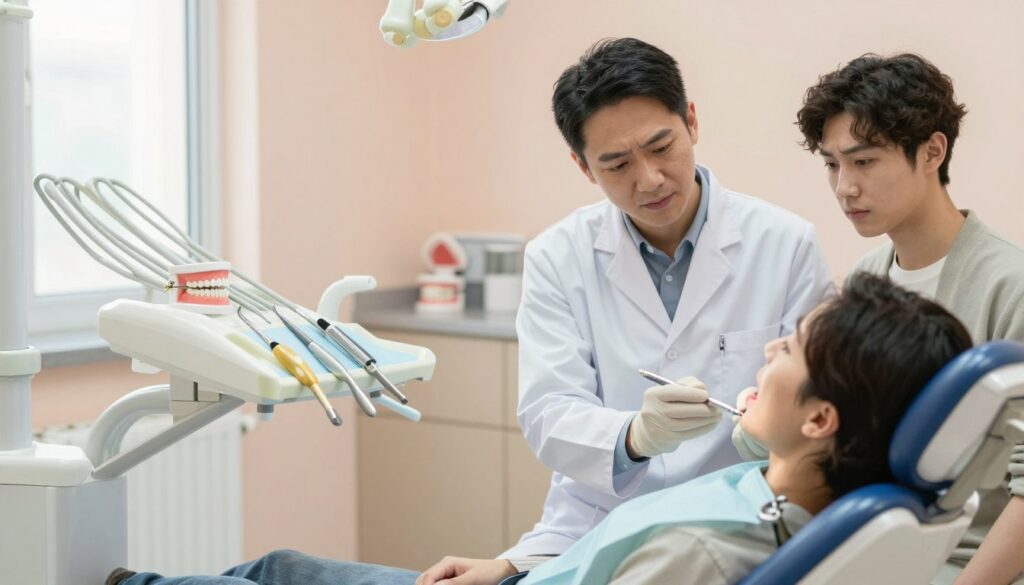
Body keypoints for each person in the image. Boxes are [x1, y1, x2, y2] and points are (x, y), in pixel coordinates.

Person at [110, 273, 974, 585]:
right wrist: (515, 565)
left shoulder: (711, 554)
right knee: (276, 567)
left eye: (785, 347)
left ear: (821, 417)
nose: (767, 351)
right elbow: (613, 535)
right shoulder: (779, 487)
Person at [504, 36, 832, 570]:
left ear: (692, 122)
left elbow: (820, 405)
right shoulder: (556, 257)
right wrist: (634, 436)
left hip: (743, 525)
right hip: (594, 529)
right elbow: (548, 411)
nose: (650, 179)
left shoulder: (786, 244)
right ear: (583, 167)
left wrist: (757, 429)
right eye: (616, 165)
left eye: (661, 147)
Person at [791, 52, 1024, 585]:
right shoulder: (865, 281)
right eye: (832, 164)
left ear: (932, 151)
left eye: (864, 161)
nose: (844, 187)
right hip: (877, 556)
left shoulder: (1011, 286)